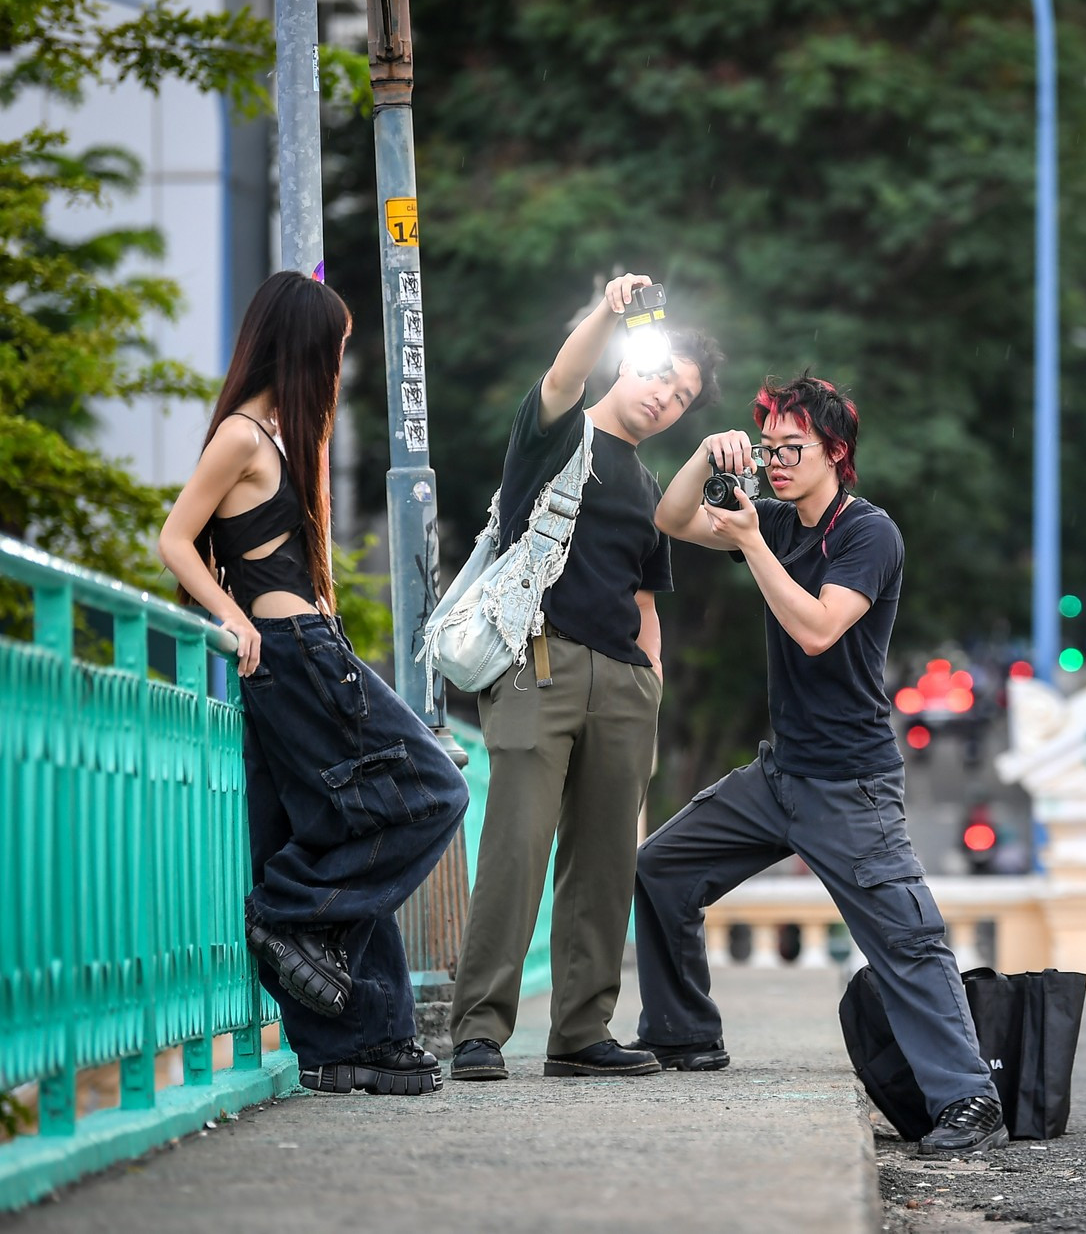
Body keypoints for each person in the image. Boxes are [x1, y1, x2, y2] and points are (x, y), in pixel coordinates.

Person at [633, 371, 1006, 1156]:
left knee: (907, 939)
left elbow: (816, 629)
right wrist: (707, 452)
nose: (775, 462)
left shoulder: (868, 533)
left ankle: (969, 1098)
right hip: (780, 777)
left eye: (790, 448)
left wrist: (753, 544)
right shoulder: (768, 517)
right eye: (766, 448)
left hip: (853, 783)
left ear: (835, 451)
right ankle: (686, 1034)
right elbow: (669, 517)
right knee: (661, 868)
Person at [158, 271, 470, 1096]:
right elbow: (176, 538)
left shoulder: (287, 434)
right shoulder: (242, 437)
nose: (340, 359)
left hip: (312, 647)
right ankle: (288, 910)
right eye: (333, 345)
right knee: (433, 793)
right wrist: (234, 618)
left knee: (342, 826)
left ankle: (357, 1039)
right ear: (300, 343)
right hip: (290, 654)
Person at [448, 274, 722, 1081]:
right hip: (542, 662)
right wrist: (609, 309)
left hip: (625, 684)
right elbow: (563, 376)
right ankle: (479, 1029)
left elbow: (645, 591)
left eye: (681, 397)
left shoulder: (646, 484)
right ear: (627, 364)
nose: (663, 397)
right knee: (515, 848)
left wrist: (652, 680)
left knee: (605, 863)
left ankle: (579, 1031)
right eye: (658, 375)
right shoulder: (558, 434)